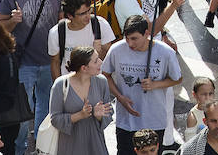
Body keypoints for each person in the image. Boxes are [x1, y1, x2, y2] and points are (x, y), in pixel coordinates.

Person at [0, 0, 66, 155]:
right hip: (23, 61)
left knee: (45, 110)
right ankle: (19, 150)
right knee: (21, 112)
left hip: (50, 60)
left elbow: (61, 21)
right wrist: (12, 21)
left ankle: (41, 149)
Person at [101, 14, 182, 155]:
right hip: (126, 122)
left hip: (155, 121)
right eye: (127, 38)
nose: (130, 44)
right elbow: (105, 74)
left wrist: (156, 84)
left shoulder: (166, 52)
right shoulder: (116, 50)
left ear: (146, 34)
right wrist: (119, 97)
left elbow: (177, 78)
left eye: (134, 39)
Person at [49, 45, 114, 155]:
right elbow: (55, 119)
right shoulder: (61, 84)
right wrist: (80, 115)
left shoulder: (101, 81)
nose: (101, 62)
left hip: (96, 145)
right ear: (84, 68)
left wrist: (99, 116)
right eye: (95, 61)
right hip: (70, 146)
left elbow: (109, 112)